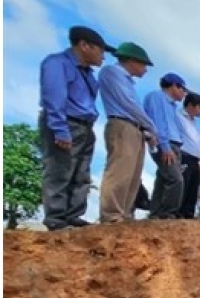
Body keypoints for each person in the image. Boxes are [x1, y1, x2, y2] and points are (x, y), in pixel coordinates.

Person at [38, 26, 115, 231]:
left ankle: (73, 215)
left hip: (85, 125)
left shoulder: (88, 74)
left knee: (81, 173)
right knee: (60, 170)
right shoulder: (58, 64)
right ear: (84, 45)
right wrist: (59, 128)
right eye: (100, 50)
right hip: (66, 122)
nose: (103, 57)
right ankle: (56, 218)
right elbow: (54, 98)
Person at [97, 41, 158, 223]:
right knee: (119, 172)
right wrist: (151, 125)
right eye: (144, 64)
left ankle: (124, 214)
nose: (145, 70)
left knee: (132, 176)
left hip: (136, 128)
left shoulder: (127, 81)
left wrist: (146, 130)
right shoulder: (112, 73)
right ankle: (111, 215)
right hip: (123, 125)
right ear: (132, 61)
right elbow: (128, 104)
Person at [143, 72, 188, 219]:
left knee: (163, 179)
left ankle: (155, 213)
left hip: (174, 144)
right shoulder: (157, 97)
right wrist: (165, 146)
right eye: (183, 89)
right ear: (174, 85)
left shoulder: (172, 106)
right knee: (176, 179)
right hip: (165, 144)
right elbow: (158, 123)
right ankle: (167, 213)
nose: (184, 93)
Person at [176, 92, 200, 219]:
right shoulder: (178, 117)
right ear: (190, 105)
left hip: (195, 159)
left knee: (193, 188)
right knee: (183, 184)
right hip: (184, 155)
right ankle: (178, 212)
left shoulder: (193, 123)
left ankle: (188, 214)